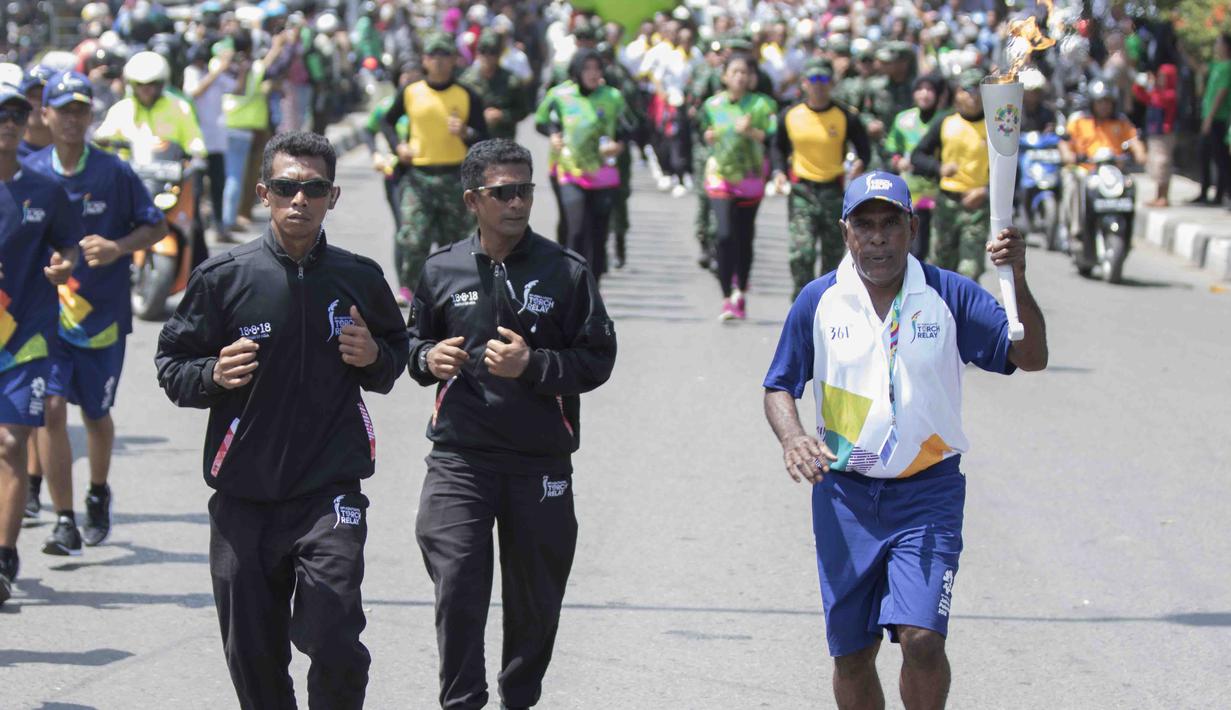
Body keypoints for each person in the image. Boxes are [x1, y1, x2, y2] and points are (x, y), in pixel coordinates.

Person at [762, 171, 1048, 710]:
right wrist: (793, 436)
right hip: (845, 497)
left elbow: (1030, 357)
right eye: (864, 226)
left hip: (927, 493)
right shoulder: (820, 300)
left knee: (921, 640)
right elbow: (779, 382)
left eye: (890, 224)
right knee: (852, 654)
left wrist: (1018, 278)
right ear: (846, 233)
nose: (877, 238)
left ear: (911, 229)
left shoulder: (946, 292)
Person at [155, 131, 409, 709]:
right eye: (289, 187)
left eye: (314, 188)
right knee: (253, 653)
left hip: (328, 491)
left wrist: (376, 358)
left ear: (333, 196)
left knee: (336, 633)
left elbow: (396, 357)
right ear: (265, 193)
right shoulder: (224, 277)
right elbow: (172, 365)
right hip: (244, 496)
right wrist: (212, 375)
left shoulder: (359, 278)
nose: (301, 199)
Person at [406, 138, 616, 710]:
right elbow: (412, 342)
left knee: (536, 601)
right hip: (459, 460)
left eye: (525, 189)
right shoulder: (439, 268)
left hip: (539, 462)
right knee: (458, 585)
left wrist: (535, 365)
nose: (518, 202)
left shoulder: (565, 271)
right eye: (503, 193)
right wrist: (427, 359)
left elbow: (598, 358)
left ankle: (519, 697)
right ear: (474, 199)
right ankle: (462, 701)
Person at [24, 71, 167, 555]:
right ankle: (64, 519)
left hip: (100, 318)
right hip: (44, 318)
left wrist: (117, 246)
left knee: (95, 415)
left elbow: (155, 225)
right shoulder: (30, 173)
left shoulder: (113, 171)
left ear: (90, 117)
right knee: (50, 408)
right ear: (44, 113)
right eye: (62, 109)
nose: (71, 119)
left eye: (80, 110)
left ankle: (98, 492)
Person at [0, 84, 80, 604]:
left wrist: (64, 263)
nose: (8, 122)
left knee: (9, 443)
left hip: (24, 335)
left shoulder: (45, 188)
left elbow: (67, 244)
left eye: (16, 114)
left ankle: (3, 557)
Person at [385, 33, 488, 304]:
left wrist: (466, 132)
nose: (439, 62)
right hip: (419, 175)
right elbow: (387, 121)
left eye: (445, 56)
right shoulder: (411, 91)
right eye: (433, 56)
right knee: (413, 237)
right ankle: (411, 288)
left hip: (454, 176)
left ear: (454, 60)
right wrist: (399, 147)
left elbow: (484, 137)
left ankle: (450, 293)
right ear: (424, 61)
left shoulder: (466, 94)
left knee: (453, 242)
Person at [771, 58, 870, 298]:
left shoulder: (845, 116)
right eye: (813, 80)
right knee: (801, 253)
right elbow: (777, 147)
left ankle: (825, 302)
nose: (819, 85)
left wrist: (860, 163)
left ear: (831, 84)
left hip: (833, 191)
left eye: (824, 80)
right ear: (804, 84)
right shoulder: (791, 114)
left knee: (832, 255)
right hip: (802, 190)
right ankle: (801, 298)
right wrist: (778, 172)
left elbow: (863, 147)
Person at [535, 49, 628, 282]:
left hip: (603, 174)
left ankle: (592, 288)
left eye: (597, 68)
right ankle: (569, 283)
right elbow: (541, 121)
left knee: (598, 234)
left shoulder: (613, 97)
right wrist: (553, 134)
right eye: (587, 68)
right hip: (569, 171)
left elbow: (632, 127)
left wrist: (619, 145)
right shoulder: (560, 95)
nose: (593, 74)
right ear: (576, 71)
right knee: (575, 229)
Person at [698, 52, 777, 320]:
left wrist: (752, 132)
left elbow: (774, 138)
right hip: (719, 176)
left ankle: (740, 291)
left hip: (751, 178)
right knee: (723, 235)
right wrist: (707, 135)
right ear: (724, 76)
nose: (740, 77)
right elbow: (703, 131)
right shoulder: (712, 104)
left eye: (745, 72)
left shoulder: (762, 105)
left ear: (752, 77)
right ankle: (725, 298)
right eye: (735, 72)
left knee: (744, 237)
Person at [909, 69, 991, 281]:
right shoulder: (945, 122)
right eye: (967, 90)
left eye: (978, 90)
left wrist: (987, 191)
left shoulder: (995, 126)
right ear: (957, 93)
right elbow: (917, 156)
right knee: (941, 269)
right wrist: (938, 168)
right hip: (946, 204)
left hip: (977, 207)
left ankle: (966, 313)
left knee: (969, 270)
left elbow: (1011, 171)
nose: (973, 96)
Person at [1058, 79, 1147, 269]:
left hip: (1112, 173)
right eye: (1100, 101)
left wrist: (1140, 154)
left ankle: (1128, 232)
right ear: (1092, 102)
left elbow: (1134, 141)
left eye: (1108, 101)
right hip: (1086, 171)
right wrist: (1070, 156)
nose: (1104, 106)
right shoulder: (1079, 120)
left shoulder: (1121, 122)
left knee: (1131, 185)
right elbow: (1065, 142)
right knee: (1074, 184)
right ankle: (1075, 230)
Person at [885, 73, 947, 260]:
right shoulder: (903, 120)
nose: (924, 94)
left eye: (929, 90)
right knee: (914, 249)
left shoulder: (946, 119)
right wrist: (897, 161)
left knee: (939, 250)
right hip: (910, 194)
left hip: (940, 192)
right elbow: (890, 149)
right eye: (920, 89)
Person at [460, 30, 531, 142]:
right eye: (483, 51)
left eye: (492, 52)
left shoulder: (512, 81)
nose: (487, 56)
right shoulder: (466, 81)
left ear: (499, 54)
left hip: (502, 142)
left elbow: (523, 111)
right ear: (477, 54)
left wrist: (502, 115)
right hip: (475, 142)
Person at [1192, 34, 1231, 205]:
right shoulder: (1217, 65)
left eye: (1218, 43)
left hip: (1218, 118)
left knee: (1221, 159)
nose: (1216, 46)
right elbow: (1200, 69)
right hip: (1209, 116)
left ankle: (1223, 194)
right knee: (1205, 155)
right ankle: (1207, 191)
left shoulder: (1228, 67)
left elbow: (1221, 94)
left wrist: (1209, 118)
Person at [1132, 64, 1179, 208]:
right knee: (1156, 165)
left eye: (1164, 77)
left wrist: (1152, 86)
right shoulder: (1157, 93)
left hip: (1164, 135)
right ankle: (1158, 196)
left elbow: (1161, 100)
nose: (1160, 80)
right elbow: (1139, 94)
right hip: (1154, 134)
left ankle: (1163, 197)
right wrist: (1141, 83)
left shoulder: (1169, 94)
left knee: (1162, 164)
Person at [18, 65, 56, 158]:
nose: (37, 103)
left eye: (44, 97)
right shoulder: (7, 151)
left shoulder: (71, 151)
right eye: (32, 96)